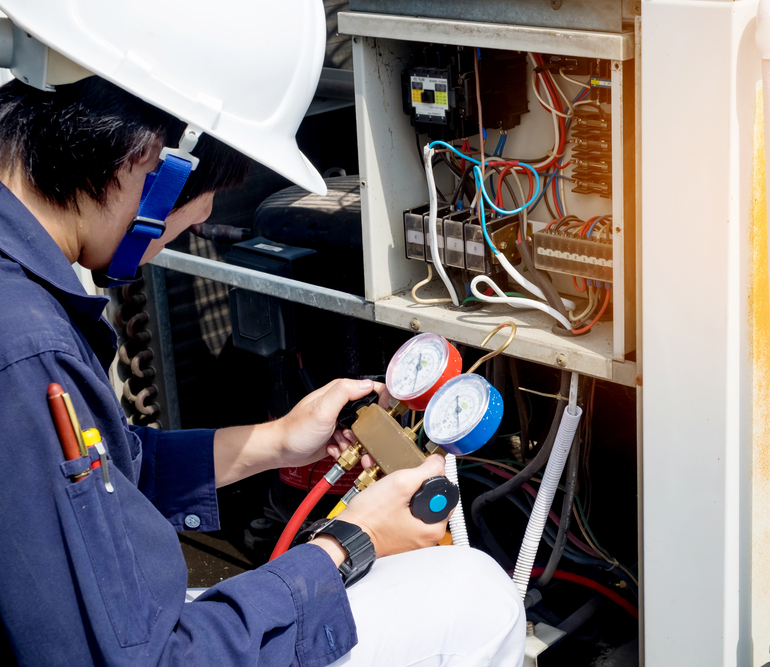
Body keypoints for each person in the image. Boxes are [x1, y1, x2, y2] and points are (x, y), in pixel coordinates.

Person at [0, 2, 525, 666]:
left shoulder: (22, 294)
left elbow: (103, 484)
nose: (185, 233)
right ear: (154, 165)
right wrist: (348, 542)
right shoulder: (25, 351)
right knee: (475, 596)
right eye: (191, 215)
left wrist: (275, 441)